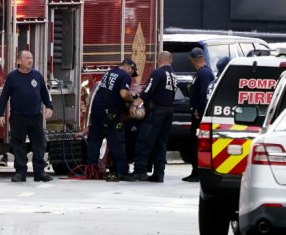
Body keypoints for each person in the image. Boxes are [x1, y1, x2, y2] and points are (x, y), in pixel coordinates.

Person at [0, 51, 54, 182]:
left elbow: (45, 93)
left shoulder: (37, 76)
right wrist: (0, 115)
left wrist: (49, 107)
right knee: (18, 145)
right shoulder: (12, 77)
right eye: (27, 58)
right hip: (18, 117)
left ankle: (39, 172)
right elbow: (4, 96)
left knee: (39, 144)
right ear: (19, 61)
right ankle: (20, 172)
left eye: (31, 58)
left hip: (35, 116)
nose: (30, 60)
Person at [86, 59, 138, 182]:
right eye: (132, 72)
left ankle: (91, 170)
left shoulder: (109, 73)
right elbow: (124, 94)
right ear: (130, 68)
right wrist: (133, 101)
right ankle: (122, 171)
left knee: (95, 140)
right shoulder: (125, 75)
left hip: (97, 110)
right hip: (111, 113)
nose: (131, 75)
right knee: (117, 142)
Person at [131, 51, 177, 183]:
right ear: (170, 60)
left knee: (144, 140)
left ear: (159, 59)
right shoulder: (173, 75)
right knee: (161, 143)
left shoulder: (158, 73)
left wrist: (135, 104)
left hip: (156, 111)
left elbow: (148, 91)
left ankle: (140, 171)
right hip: (169, 110)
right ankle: (158, 173)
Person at [183, 47, 214, 182]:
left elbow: (204, 93)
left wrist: (199, 110)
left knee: (197, 144)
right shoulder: (202, 73)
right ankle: (195, 171)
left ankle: (198, 172)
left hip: (199, 116)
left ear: (192, 59)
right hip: (197, 114)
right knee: (193, 144)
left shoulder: (204, 73)